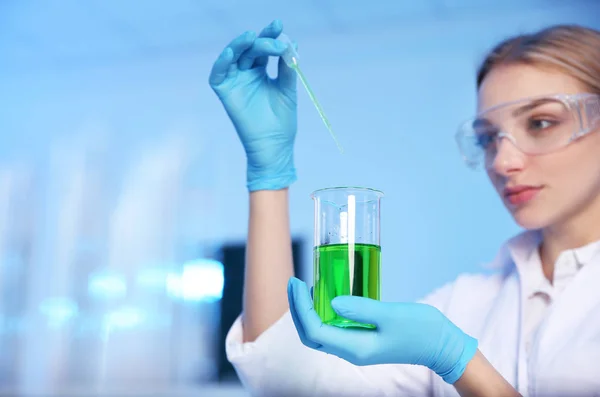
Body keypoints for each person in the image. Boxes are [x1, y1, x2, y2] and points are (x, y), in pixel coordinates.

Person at [209, 19, 600, 397]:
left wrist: (462, 363)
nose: (501, 161)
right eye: (488, 138)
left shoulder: (445, 332)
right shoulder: (465, 302)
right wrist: (268, 176)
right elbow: (288, 380)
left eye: (541, 123)